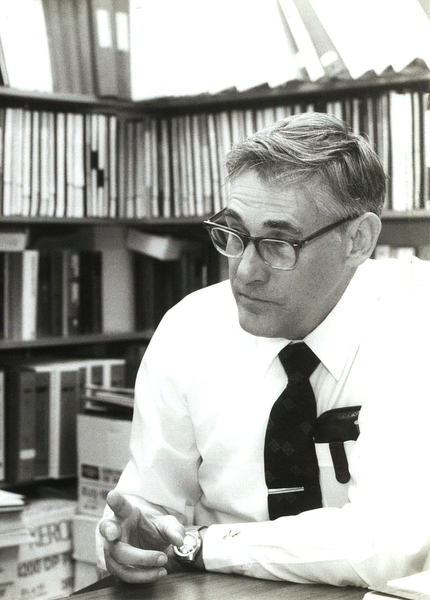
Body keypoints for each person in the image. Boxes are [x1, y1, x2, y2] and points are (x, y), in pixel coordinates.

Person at [97, 112, 430, 588]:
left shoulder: (417, 318)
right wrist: (127, 538)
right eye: (233, 234)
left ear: (359, 240)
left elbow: (386, 542)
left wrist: (201, 544)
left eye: (278, 243)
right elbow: (149, 505)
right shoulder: (190, 329)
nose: (245, 272)